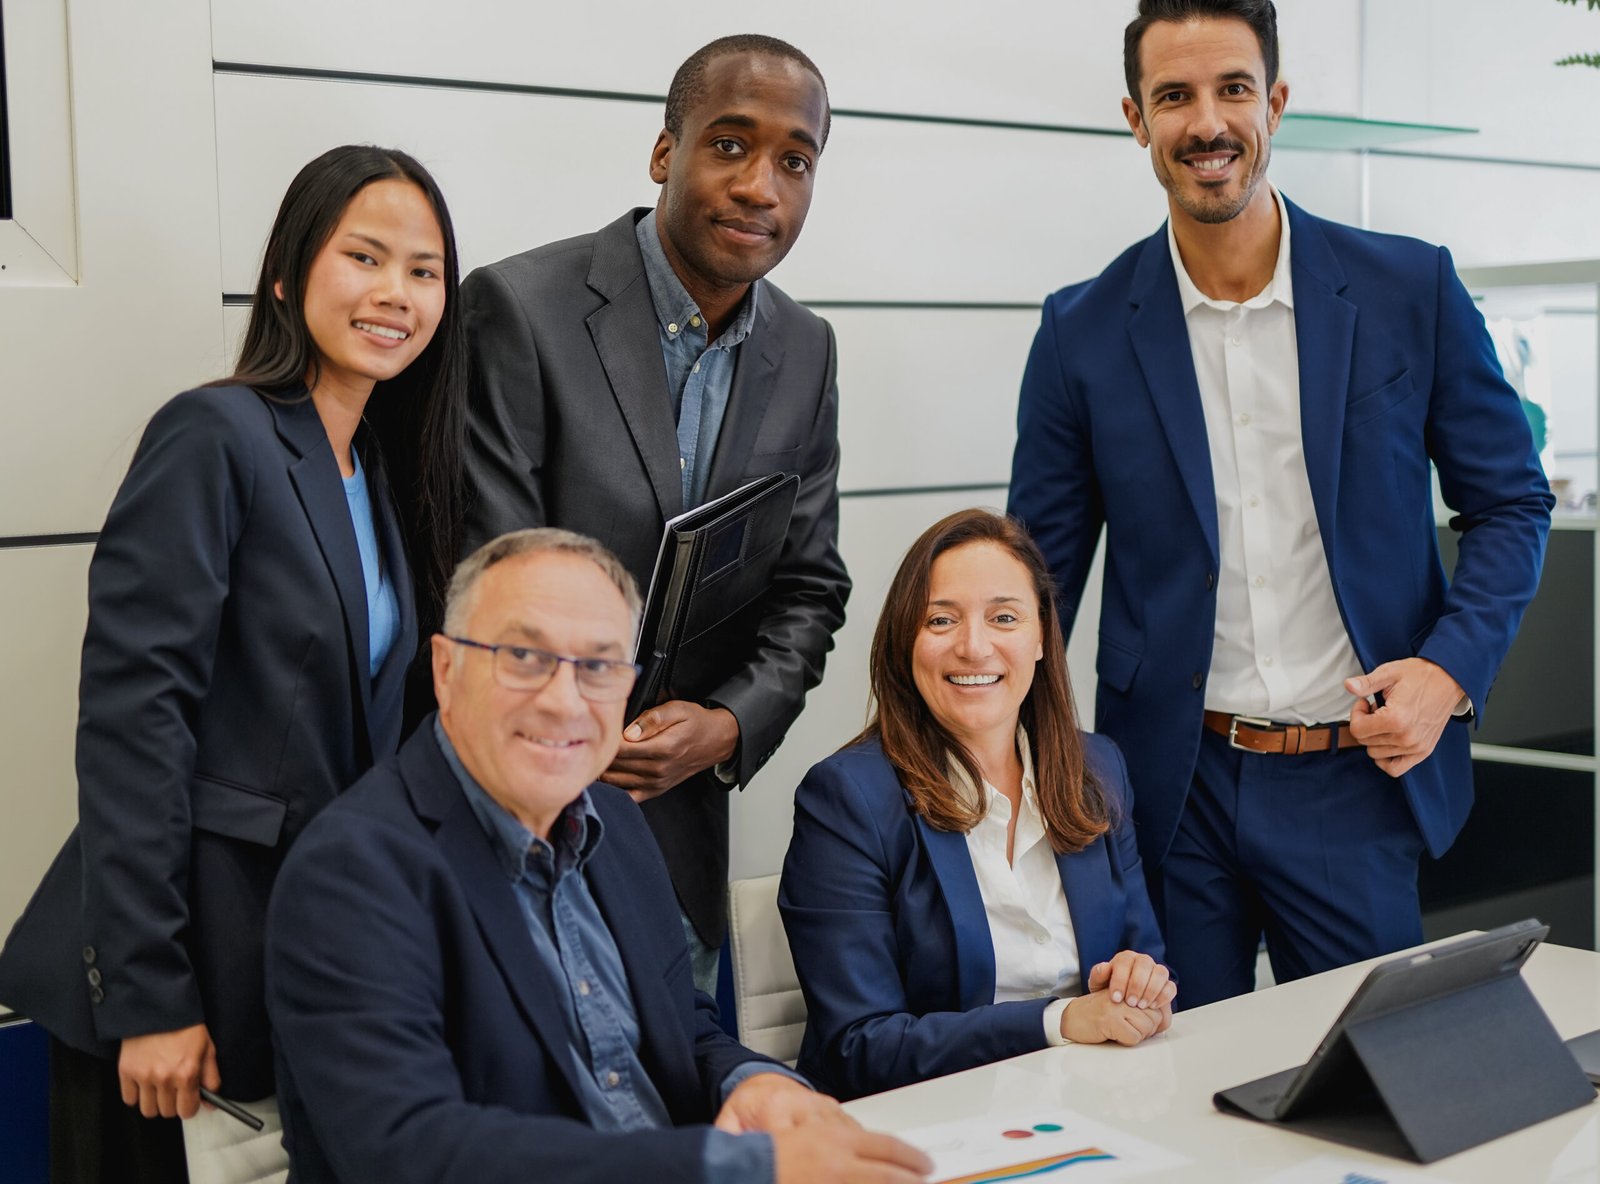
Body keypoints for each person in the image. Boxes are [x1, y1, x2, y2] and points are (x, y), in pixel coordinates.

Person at [1007, 0, 1553, 1008]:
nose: (1206, 122)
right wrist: (1005, 757)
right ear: (1136, 117)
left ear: (1277, 102)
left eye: (1233, 89)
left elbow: (1510, 503)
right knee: (1171, 1092)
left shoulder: (1408, 288)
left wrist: (1446, 672)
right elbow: (1034, 578)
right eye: (1174, 96)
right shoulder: (1079, 330)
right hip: (1170, 788)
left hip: (1354, 775)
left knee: (1378, 1087)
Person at [0, 144, 467, 1181]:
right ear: (287, 273)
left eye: (425, 270)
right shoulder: (216, 434)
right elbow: (134, 725)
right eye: (365, 256)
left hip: (289, 965)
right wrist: (152, 994)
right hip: (178, 977)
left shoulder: (383, 469)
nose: (396, 292)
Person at [264, 529, 930, 1184]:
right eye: (523, 656)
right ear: (446, 669)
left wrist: (747, 1081)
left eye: (600, 665)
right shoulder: (351, 873)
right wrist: (738, 1167)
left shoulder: (615, 819)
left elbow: (682, 1026)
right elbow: (412, 1152)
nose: (563, 699)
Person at [458, 34, 850, 992]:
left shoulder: (806, 350)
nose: (762, 185)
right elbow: (486, 587)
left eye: (794, 161)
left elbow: (809, 587)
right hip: (515, 831)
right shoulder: (518, 307)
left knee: (675, 1108)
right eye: (729, 144)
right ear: (665, 152)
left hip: (679, 846)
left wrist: (729, 722)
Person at [780, 510, 1172, 1102]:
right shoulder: (845, 800)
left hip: (1095, 1106)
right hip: (928, 1126)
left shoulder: (1098, 769)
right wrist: (1060, 1021)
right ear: (905, 640)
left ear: (1042, 636)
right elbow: (861, 1046)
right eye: (941, 620)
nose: (973, 646)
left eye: (1004, 618)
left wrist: (1141, 986)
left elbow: (1145, 960)